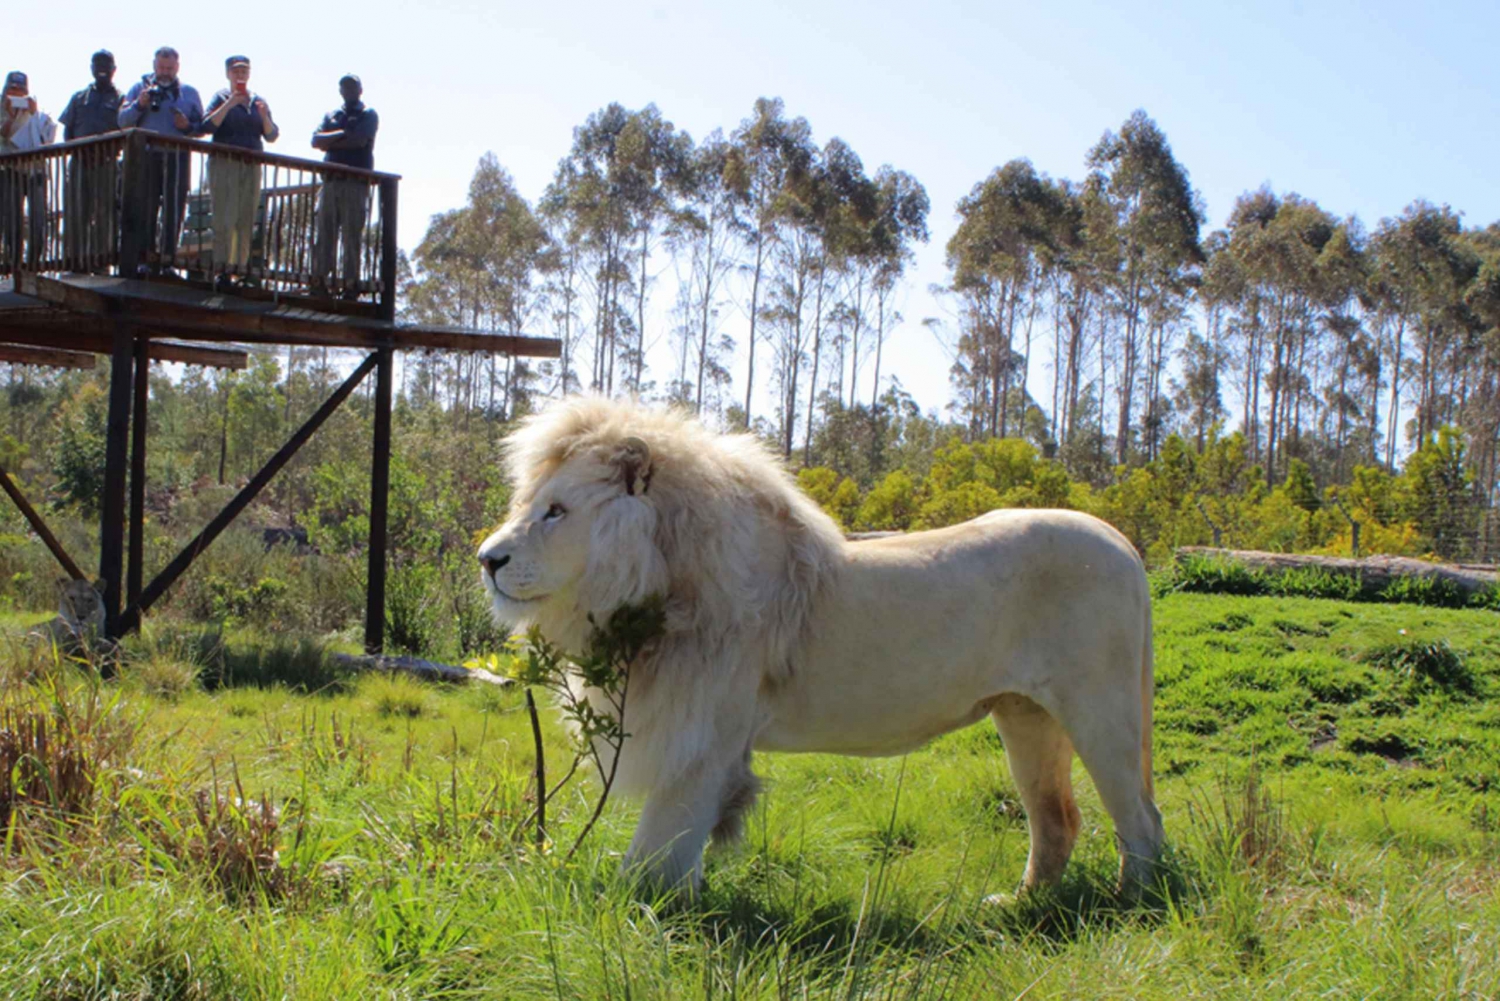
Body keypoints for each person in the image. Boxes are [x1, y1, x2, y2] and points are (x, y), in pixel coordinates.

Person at [118, 47, 203, 270]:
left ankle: (168, 261)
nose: (165, 72)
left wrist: (187, 126)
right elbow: (122, 121)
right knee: (146, 208)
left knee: (174, 209)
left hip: (178, 156)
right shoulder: (139, 89)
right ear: (154, 66)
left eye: (170, 68)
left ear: (178, 67)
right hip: (146, 156)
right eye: (161, 68)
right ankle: (145, 259)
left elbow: (201, 127)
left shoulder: (189, 93)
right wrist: (140, 105)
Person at [201, 55, 277, 282]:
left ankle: (240, 269)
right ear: (228, 74)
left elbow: (271, 135)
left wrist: (264, 116)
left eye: (244, 71)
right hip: (225, 163)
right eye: (236, 71)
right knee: (225, 217)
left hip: (251, 165)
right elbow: (207, 125)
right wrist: (230, 104)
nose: (240, 75)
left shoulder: (258, 101)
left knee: (245, 219)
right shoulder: (221, 97)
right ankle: (222, 268)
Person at [311, 74, 378, 296]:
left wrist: (330, 142)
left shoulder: (368, 114)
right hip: (330, 182)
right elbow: (315, 140)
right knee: (325, 233)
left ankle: (350, 284)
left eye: (353, 87)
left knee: (351, 235)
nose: (349, 91)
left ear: (361, 89)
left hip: (355, 183)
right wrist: (342, 134)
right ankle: (320, 281)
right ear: (340, 91)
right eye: (345, 87)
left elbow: (359, 141)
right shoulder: (332, 115)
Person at [59, 50, 123, 267]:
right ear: (91, 69)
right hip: (79, 163)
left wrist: (105, 153)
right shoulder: (79, 97)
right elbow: (68, 130)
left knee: (106, 213)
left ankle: (102, 263)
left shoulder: (121, 99)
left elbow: (124, 131)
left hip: (106, 164)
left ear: (114, 69)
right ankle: (75, 263)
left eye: (106, 65)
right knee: (76, 211)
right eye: (97, 64)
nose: (102, 69)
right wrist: (79, 152)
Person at [0, 70, 56, 269]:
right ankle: (14, 264)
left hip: (35, 170)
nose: (16, 94)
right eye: (12, 89)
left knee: (38, 219)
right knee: (11, 220)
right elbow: (3, 135)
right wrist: (10, 116)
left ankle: (35, 263)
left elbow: (47, 137)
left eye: (20, 91)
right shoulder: (2, 109)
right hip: (10, 171)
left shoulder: (37, 111)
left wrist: (33, 113)